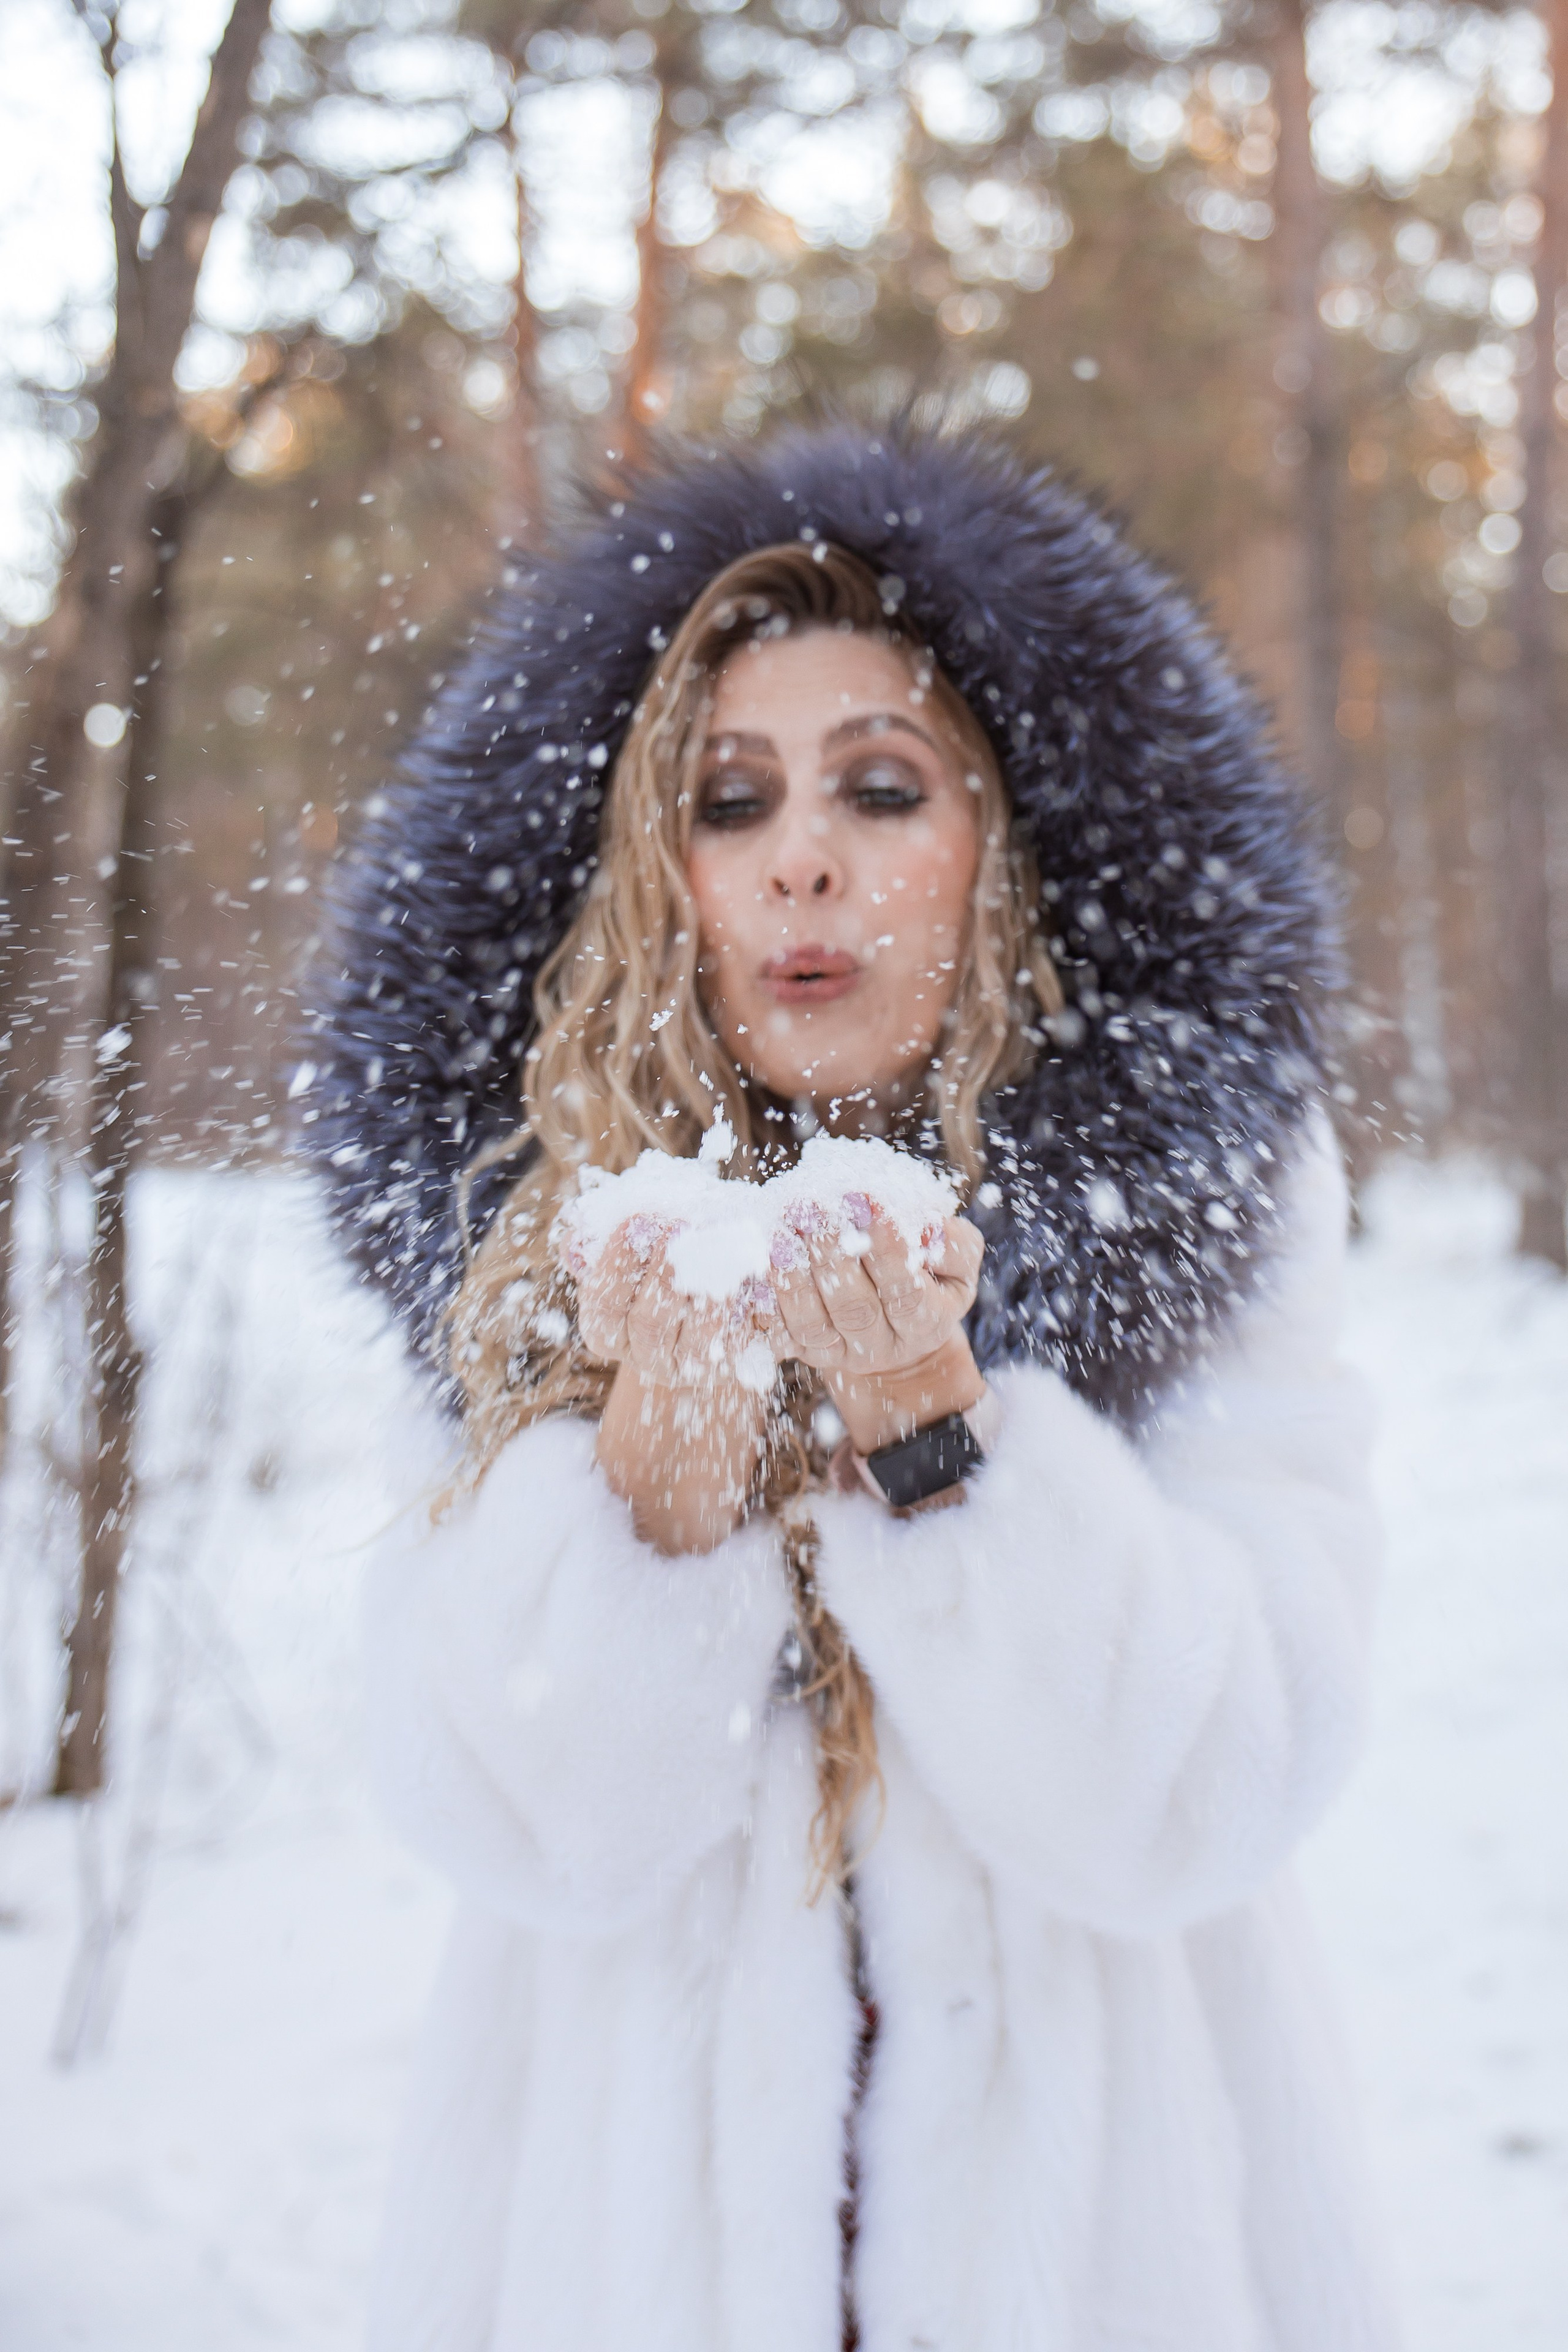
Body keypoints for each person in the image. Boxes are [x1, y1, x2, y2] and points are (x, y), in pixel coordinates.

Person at [302, 421, 1398, 2352]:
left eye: (882, 789)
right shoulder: (539, 1232)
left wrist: (941, 1449)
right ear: (672, 872)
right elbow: (513, 1826)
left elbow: (1208, 1797)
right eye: (730, 799)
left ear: (1004, 852)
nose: (801, 854)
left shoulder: (1199, 1204)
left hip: (1118, 2240)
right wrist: (653, 1483)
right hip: (616, 2240)